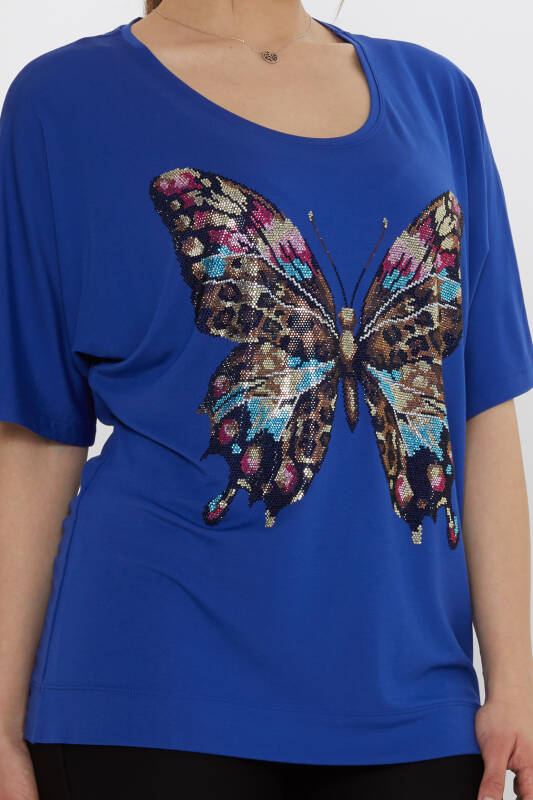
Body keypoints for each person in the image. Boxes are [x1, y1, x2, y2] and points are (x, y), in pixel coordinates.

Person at [1, 0, 533, 797]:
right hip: (146, 693)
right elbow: (36, 431)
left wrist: (516, 682)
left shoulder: (437, 94)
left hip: (413, 700)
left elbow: (481, 410)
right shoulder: (63, 99)